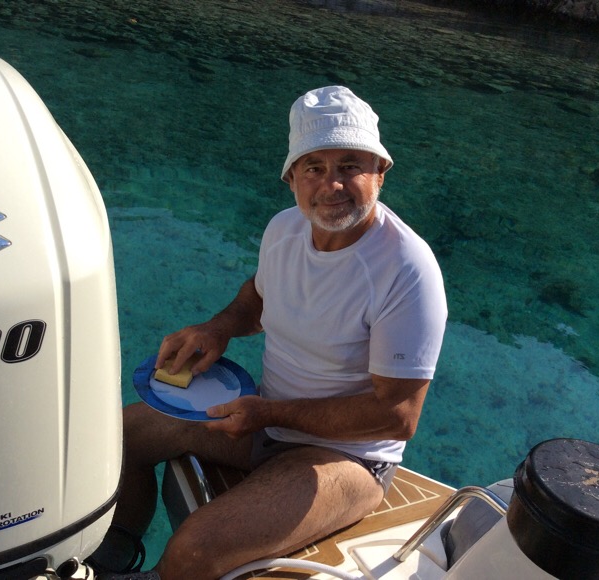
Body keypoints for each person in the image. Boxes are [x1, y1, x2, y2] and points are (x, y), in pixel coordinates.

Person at [96, 85, 447, 580]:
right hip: (265, 421)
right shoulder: (284, 230)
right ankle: (111, 557)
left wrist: (268, 413)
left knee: (193, 552)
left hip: (346, 457)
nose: (332, 185)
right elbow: (257, 299)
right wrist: (218, 328)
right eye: (314, 167)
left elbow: (398, 416)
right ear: (291, 179)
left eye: (350, 165)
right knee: (120, 437)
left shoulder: (407, 268)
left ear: (380, 173)